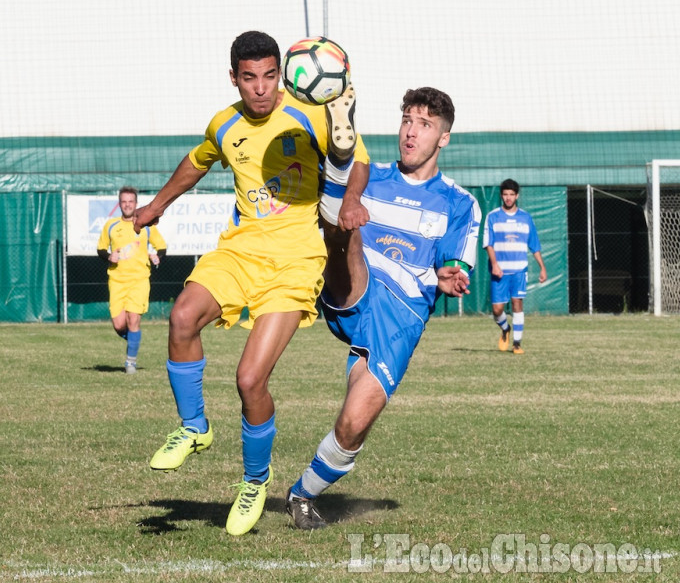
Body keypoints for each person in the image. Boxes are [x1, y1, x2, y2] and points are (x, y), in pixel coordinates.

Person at [131, 30, 369, 536]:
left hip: (296, 261)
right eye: (249, 78)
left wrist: (349, 201)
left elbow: (358, 161)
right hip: (239, 251)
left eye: (269, 76)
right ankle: (195, 427)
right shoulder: (224, 124)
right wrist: (156, 205)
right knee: (180, 318)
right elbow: (196, 162)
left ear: (281, 74)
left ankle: (254, 482)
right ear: (234, 77)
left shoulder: (314, 111)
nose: (260, 88)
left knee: (249, 379)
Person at [285, 87, 482, 530]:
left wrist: (449, 274)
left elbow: (451, 263)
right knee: (345, 220)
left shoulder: (460, 203)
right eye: (406, 121)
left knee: (354, 423)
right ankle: (337, 116)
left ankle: (301, 496)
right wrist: (345, 207)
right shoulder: (367, 175)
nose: (411, 133)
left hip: (401, 319)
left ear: (443, 138)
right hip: (356, 285)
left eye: (424, 125)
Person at [97, 186, 166, 374]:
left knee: (133, 319)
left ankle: (130, 362)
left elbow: (161, 248)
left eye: (131, 202)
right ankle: (135, 339)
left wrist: (157, 256)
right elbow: (101, 249)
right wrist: (109, 256)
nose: (127, 205)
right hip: (117, 281)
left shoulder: (146, 225)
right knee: (119, 325)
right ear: (120, 204)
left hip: (139, 280)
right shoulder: (111, 225)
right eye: (124, 201)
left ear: (136, 204)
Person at [483, 178, 547, 354]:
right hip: (499, 271)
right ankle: (505, 329)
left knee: (517, 303)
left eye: (512, 194)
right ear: (502, 196)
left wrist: (542, 267)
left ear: (517, 195)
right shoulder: (493, 217)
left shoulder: (526, 218)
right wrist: (495, 264)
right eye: (505, 194)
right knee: (497, 310)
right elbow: (488, 243)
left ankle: (517, 343)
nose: (508, 198)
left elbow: (534, 244)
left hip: (519, 270)